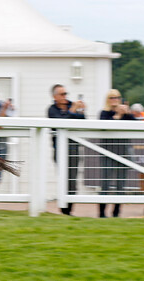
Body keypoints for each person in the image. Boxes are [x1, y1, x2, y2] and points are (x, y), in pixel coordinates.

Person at [47, 84, 86, 216]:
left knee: (73, 180)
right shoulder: (51, 110)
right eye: (62, 94)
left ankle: (69, 209)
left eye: (65, 94)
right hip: (59, 150)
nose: (65, 97)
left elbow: (82, 121)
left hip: (74, 148)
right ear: (54, 97)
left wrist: (79, 111)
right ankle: (64, 208)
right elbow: (59, 123)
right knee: (63, 178)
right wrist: (72, 112)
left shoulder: (72, 105)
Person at [97, 89, 135, 218]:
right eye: (112, 97)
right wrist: (117, 116)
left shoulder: (125, 114)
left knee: (121, 185)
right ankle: (102, 213)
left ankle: (116, 213)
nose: (115, 100)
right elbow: (104, 126)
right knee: (105, 184)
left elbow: (137, 125)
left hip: (123, 152)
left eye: (117, 97)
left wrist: (128, 113)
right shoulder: (104, 113)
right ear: (107, 99)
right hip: (107, 152)